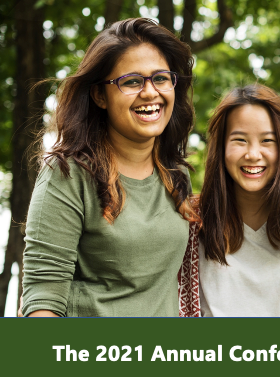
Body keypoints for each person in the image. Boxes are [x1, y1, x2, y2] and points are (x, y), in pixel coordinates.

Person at [22, 18, 196, 317]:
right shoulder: (67, 173)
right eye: (131, 81)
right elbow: (42, 299)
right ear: (100, 95)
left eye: (161, 78)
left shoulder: (175, 176)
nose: (150, 92)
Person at [178, 84, 280, 317]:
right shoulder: (188, 222)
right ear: (221, 147)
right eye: (240, 140)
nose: (253, 154)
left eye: (267, 140)